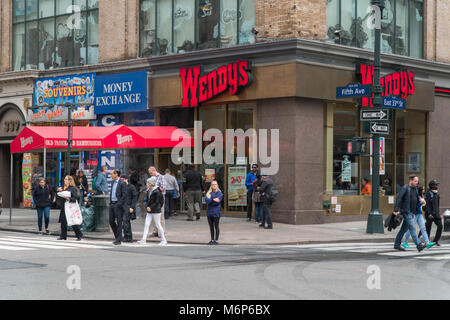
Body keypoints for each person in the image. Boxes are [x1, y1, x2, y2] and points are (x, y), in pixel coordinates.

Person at [393, 175, 426, 252]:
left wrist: (420, 203)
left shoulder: (415, 189)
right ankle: (419, 245)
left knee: (403, 229)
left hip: (412, 212)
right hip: (406, 211)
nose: (417, 183)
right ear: (411, 181)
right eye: (415, 181)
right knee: (412, 228)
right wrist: (396, 209)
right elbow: (399, 198)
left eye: (417, 181)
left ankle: (396, 244)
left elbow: (415, 199)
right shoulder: (405, 188)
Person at [401, 184, 436, 249]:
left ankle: (427, 242)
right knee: (411, 228)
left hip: (419, 214)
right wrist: (420, 203)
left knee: (423, 228)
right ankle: (405, 242)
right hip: (414, 214)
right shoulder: (416, 196)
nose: (424, 190)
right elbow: (414, 205)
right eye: (422, 189)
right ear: (420, 190)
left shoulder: (422, 195)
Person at [137, 177, 167, 246]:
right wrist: (148, 206)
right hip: (150, 210)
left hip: (156, 211)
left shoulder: (157, 191)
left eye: (147, 183)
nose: (146, 184)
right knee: (146, 224)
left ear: (151, 184)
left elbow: (158, 202)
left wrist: (150, 207)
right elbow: (148, 200)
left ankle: (164, 240)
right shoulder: (149, 190)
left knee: (158, 225)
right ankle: (143, 239)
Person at [57, 176, 83, 241]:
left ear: (69, 181)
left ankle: (79, 235)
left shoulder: (72, 188)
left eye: (66, 179)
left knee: (73, 221)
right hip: (64, 206)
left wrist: (68, 198)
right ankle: (63, 236)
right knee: (63, 221)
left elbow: (75, 198)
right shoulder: (63, 188)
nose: (64, 180)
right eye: (64, 179)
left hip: (70, 207)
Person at [109, 169, 127, 245]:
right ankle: (118, 236)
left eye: (112, 174)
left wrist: (119, 203)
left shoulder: (122, 183)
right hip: (112, 203)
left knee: (119, 221)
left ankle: (119, 239)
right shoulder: (113, 182)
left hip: (118, 204)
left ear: (116, 174)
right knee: (111, 220)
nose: (111, 175)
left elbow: (124, 195)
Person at [424, 180, 443, 246]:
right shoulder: (428, 193)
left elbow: (437, 205)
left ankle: (435, 241)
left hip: (436, 214)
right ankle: (427, 241)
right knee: (428, 227)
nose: (437, 186)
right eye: (436, 185)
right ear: (432, 186)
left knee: (440, 226)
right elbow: (427, 205)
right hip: (430, 214)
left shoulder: (437, 194)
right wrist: (429, 214)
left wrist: (439, 213)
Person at [148, 166, 166, 235]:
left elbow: (163, 188)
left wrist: (155, 188)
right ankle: (155, 231)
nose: (150, 174)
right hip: (153, 197)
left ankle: (162, 231)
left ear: (154, 170)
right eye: (150, 173)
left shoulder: (161, 177)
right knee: (153, 214)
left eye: (151, 173)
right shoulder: (151, 178)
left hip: (160, 197)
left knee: (161, 214)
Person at [205, 180, 223, 245]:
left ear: (217, 185)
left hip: (216, 213)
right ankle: (212, 239)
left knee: (216, 226)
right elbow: (207, 201)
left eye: (215, 184)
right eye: (213, 184)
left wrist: (211, 200)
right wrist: (213, 199)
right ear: (211, 186)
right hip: (209, 213)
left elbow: (218, 201)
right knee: (211, 227)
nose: (214, 185)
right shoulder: (208, 193)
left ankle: (216, 240)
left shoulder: (219, 193)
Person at [121, 175, 138, 243]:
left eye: (123, 179)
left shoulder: (131, 187)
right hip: (122, 206)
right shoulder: (122, 187)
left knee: (126, 221)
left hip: (128, 206)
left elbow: (134, 198)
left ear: (126, 180)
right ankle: (126, 236)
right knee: (124, 222)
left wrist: (132, 207)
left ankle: (129, 237)